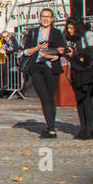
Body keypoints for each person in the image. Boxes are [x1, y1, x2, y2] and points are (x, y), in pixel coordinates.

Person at [21, 9, 66, 138]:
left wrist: (51, 55)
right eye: (43, 16)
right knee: (44, 97)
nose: (45, 19)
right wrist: (37, 48)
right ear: (39, 18)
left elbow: (62, 50)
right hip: (36, 67)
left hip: (51, 66)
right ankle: (51, 128)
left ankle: (51, 128)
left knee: (50, 97)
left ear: (52, 19)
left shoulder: (57, 33)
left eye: (48, 17)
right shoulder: (33, 32)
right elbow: (25, 51)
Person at [63, 18, 93, 140]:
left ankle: (89, 128)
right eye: (68, 28)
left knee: (87, 100)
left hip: (87, 72)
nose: (69, 30)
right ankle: (83, 127)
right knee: (79, 100)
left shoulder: (86, 35)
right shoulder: (71, 40)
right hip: (75, 71)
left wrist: (77, 55)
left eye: (72, 27)